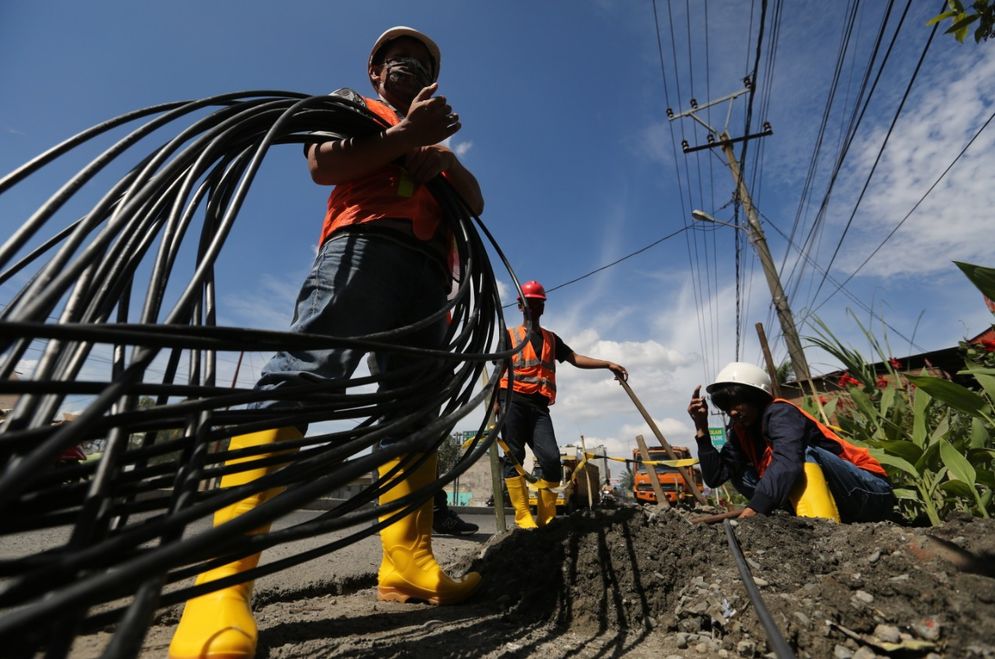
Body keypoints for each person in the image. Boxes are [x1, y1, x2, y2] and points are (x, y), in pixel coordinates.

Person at [169, 26, 483, 659]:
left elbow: (474, 205)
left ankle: (407, 562)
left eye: (422, 61)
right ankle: (220, 589)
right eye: (396, 57)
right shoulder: (348, 104)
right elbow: (322, 164)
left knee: (414, 413)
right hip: (362, 248)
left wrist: (443, 157)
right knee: (302, 377)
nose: (408, 63)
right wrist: (401, 138)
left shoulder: (437, 142)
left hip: (430, 275)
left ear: (432, 79)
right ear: (374, 72)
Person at [687, 361, 895, 523]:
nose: (732, 411)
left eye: (738, 402)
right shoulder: (741, 432)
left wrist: (756, 508)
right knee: (739, 474)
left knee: (801, 455)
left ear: (757, 397)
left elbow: (788, 460)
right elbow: (715, 477)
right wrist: (701, 428)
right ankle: (797, 517)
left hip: (870, 491)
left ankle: (821, 526)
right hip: (839, 499)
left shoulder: (780, 412)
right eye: (726, 405)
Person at [499, 280, 628, 529]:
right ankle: (523, 516)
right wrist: (496, 402)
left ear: (543, 307)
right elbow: (498, 369)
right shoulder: (509, 336)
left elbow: (575, 358)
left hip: (538, 407)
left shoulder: (551, 339)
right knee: (513, 457)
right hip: (512, 400)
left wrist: (607, 364)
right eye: (529, 303)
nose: (533, 307)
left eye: (538, 303)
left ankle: (546, 518)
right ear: (519, 306)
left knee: (550, 459)